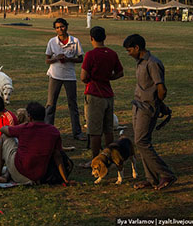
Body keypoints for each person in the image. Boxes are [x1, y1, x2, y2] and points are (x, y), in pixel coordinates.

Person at [123, 34, 176, 190]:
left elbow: (161, 88)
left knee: (141, 142)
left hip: (147, 107)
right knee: (142, 143)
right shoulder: (140, 63)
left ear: (137, 48)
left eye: (129, 50)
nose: (128, 53)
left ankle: (166, 174)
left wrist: (158, 104)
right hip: (138, 105)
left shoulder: (153, 63)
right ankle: (151, 179)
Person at [0, 101, 73, 186]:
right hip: (40, 175)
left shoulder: (25, 128)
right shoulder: (54, 131)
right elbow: (58, 156)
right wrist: (65, 179)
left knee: (4, 137)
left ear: (29, 117)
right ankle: (5, 175)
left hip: (20, 173)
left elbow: (3, 129)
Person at [79, 26, 123, 165]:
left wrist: (93, 78)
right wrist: (108, 78)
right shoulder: (112, 53)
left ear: (91, 38)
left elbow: (83, 77)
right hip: (108, 94)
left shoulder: (91, 55)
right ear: (104, 37)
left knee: (94, 131)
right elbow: (120, 73)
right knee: (108, 129)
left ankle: (96, 160)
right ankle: (110, 156)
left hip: (94, 94)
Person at [44, 18, 86, 140]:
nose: (60, 29)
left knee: (73, 104)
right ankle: (47, 131)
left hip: (69, 76)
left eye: (62, 27)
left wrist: (68, 59)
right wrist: (57, 58)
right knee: (51, 104)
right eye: (57, 27)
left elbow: (80, 58)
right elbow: (47, 60)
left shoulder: (75, 41)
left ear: (66, 27)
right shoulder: (52, 42)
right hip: (55, 75)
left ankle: (77, 132)